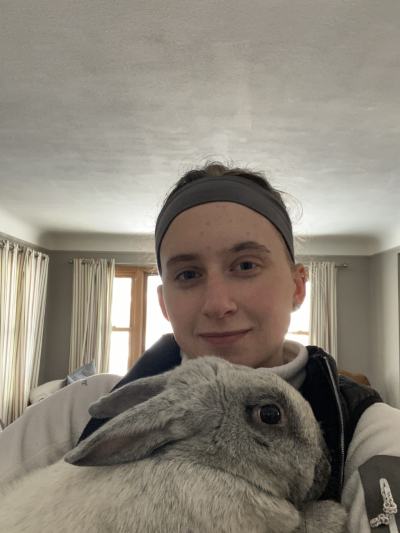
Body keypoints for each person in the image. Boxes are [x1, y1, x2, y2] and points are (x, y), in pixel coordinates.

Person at [1, 163, 400, 532]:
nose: (217, 304)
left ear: (297, 287)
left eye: (246, 265)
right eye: (188, 274)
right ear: (164, 303)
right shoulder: (82, 408)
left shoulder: (369, 431)